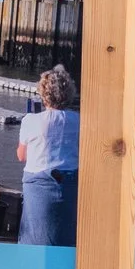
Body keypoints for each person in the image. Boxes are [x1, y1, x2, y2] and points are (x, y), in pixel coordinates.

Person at [16, 66, 81, 245]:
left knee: (34, 237)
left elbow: (21, 156)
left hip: (39, 185)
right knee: (66, 236)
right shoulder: (79, 120)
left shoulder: (31, 120)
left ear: (43, 94)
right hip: (71, 184)